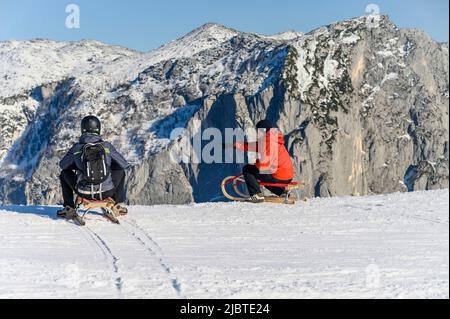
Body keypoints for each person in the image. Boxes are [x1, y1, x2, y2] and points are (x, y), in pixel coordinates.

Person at [57, 116, 130, 217]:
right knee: (120, 171)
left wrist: (78, 165)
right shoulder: (106, 146)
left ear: (82, 129)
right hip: (107, 192)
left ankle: (69, 208)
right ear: (98, 129)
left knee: (64, 173)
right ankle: (116, 206)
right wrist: (107, 164)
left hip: (84, 192)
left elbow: (63, 165)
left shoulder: (77, 148)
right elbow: (123, 164)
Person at [234, 120, 294, 203]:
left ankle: (256, 195)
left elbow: (264, 164)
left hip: (279, 176)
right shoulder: (272, 138)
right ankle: (282, 193)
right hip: (287, 175)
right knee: (263, 177)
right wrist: (238, 145)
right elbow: (255, 146)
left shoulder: (269, 142)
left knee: (247, 169)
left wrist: (257, 163)